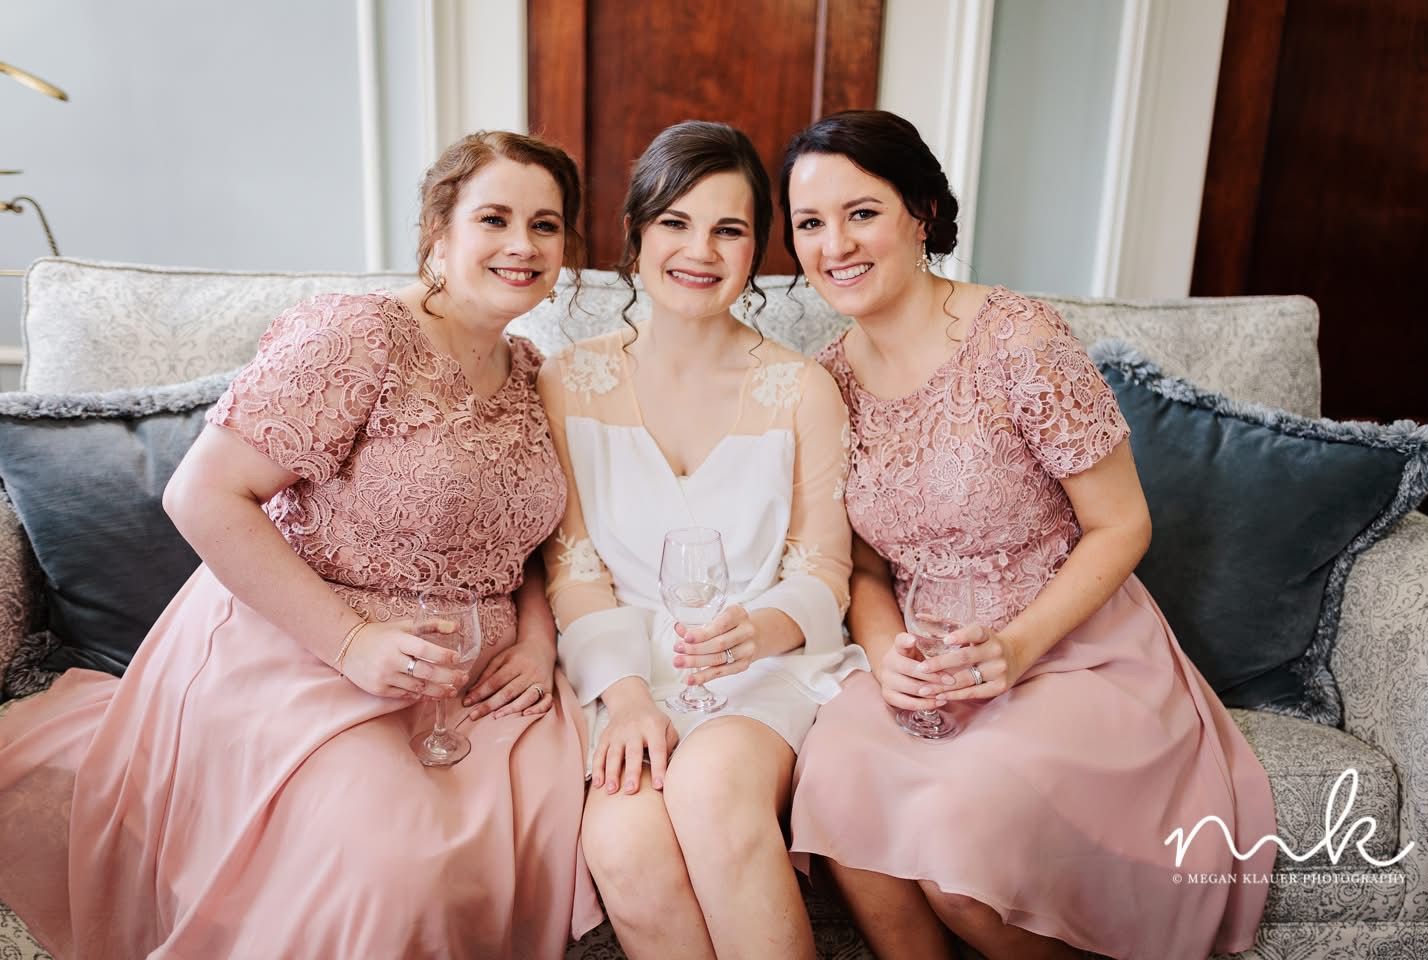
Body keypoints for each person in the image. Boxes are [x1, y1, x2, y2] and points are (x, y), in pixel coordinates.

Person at [0, 131, 602, 959]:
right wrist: (352, 643)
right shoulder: (361, 338)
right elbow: (202, 495)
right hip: (301, 654)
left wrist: (537, 646)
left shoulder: (538, 374)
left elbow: (532, 546)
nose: (522, 245)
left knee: (579, 822)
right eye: (494, 218)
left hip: (478, 682)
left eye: (546, 225)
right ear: (439, 231)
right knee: (392, 869)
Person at [779, 110, 1277, 960]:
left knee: (961, 860)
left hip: (1070, 648)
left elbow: (1123, 524)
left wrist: (1012, 650)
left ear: (923, 211)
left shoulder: (1021, 339)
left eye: (861, 212)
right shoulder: (824, 380)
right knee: (832, 786)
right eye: (809, 224)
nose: (836, 245)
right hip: (929, 664)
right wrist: (888, 650)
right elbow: (860, 567)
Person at [538, 120, 867, 960]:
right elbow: (572, 569)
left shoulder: (802, 387)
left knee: (715, 789)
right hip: (630, 667)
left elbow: (826, 566)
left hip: (764, 660)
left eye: (729, 229)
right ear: (638, 234)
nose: (700, 250)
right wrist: (628, 697)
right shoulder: (568, 381)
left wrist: (759, 631)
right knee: (623, 843)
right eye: (676, 223)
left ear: (757, 249)